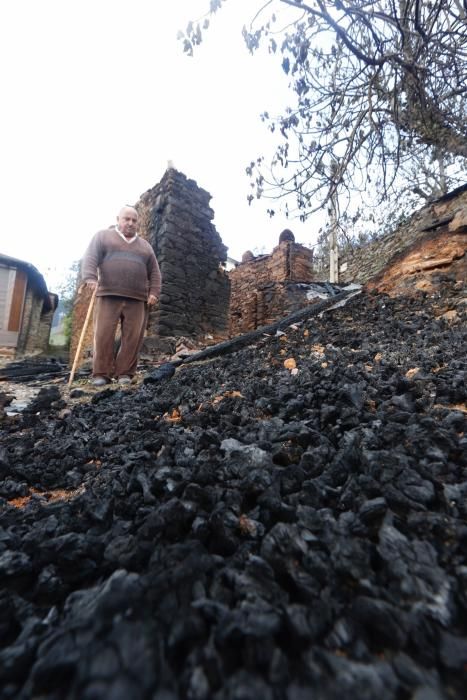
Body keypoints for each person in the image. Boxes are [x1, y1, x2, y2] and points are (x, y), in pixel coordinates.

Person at [80, 205, 161, 386]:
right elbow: (90, 258)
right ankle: (101, 373)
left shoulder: (145, 247)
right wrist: (90, 278)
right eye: (127, 219)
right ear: (118, 219)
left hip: (138, 298)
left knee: (133, 337)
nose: (130, 223)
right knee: (103, 334)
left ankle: (125, 373)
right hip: (108, 293)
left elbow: (155, 272)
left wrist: (154, 292)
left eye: (134, 220)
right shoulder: (103, 237)